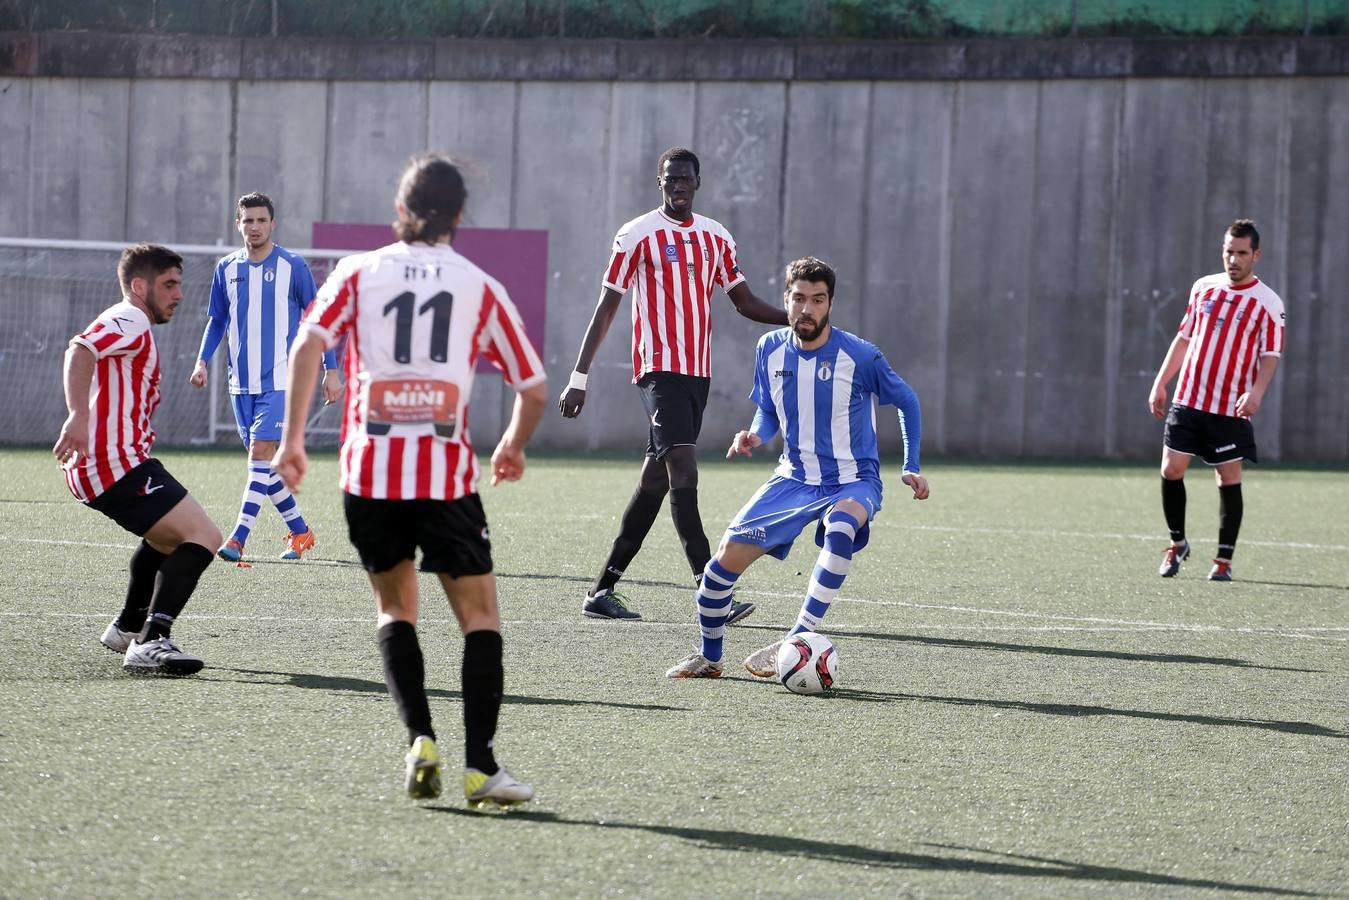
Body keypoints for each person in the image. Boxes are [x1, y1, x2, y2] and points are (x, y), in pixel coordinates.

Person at [273, 154, 547, 808]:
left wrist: (290, 441)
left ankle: (419, 738)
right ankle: (480, 766)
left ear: (398, 210)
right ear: (459, 216)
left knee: (396, 609)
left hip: (370, 473)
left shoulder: (356, 272)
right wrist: (511, 445)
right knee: (479, 617)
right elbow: (532, 387)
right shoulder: (480, 285)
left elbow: (308, 345)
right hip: (446, 479)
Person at [664, 256, 930, 680]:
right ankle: (710, 657)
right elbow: (768, 409)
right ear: (786, 299)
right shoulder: (768, 349)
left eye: (818, 300)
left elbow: (908, 401)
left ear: (830, 304)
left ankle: (798, 636)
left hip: (853, 479)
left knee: (841, 529)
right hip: (792, 478)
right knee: (717, 574)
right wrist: (754, 434)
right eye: (799, 298)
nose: (807, 309)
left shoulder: (860, 355)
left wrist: (910, 465)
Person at [558, 146, 789, 621]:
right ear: (659, 182)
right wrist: (578, 377)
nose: (678, 185)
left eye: (685, 178)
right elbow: (608, 306)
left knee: (655, 480)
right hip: (657, 369)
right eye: (670, 179)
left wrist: (796, 318)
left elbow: (743, 302)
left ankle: (602, 590)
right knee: (684, 467)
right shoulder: (637, 234)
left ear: (697, 182)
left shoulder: (715, 237)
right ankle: (710, 589)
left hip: (697, 373)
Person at [53, 243, 223, 676]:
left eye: (179, 284)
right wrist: (78, 415)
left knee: (167, 540)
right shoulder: (129, 317)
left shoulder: (135, 325)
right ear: (138, 285)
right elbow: (80, 349)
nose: (178, 294)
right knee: (203, 537)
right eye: (169, 284)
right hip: (112, 462)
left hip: (114, 462)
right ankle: (151, 641)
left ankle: (128, 627)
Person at [191, 192, 342, 563]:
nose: (255, 227)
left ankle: (238, 538)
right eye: (248, 220)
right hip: (239, 382)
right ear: (237, 224)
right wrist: (201, 361)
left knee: (260, 454)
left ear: (273, 224)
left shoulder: (294, 266)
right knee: (263, 464)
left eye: (262, 220)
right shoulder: (226, 268)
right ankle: (300, 531)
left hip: (283, 381)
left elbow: (317, 319)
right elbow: (218, 320)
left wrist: (331, 369)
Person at [1149, 218, 1285, 582]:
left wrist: (1256, 393)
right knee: (1171, 470)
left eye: (1242, 253)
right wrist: (1161, 382)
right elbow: (1184, 338)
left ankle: (1223, 560)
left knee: (1227, 478)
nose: (1234, 259)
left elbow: (1270, 354)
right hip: (1188, 399)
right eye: (1229, 252)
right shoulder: (1204, 288)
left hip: (1229, 409)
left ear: (1256, 255)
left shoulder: (1268, 303)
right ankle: (1177, 544)